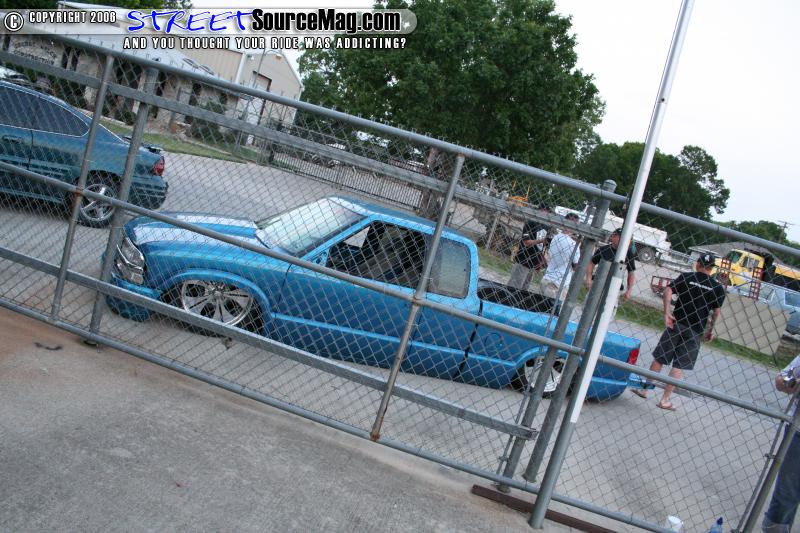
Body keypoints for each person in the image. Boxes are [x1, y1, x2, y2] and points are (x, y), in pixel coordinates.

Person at [632, 253, 726, 410]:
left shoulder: (687, 277)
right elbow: (716, 312)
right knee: (679, 365)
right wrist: (710, 329)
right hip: (695, 329)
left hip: (676, 323)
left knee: (660, 357)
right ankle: (665, 400)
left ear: (698, 264)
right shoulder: (717, 287)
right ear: (711, 269)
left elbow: (668, 290)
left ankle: (644, 389)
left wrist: (667, 312)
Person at [762, 354, 800, 533]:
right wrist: (792, 383)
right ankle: (775, 528)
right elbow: (781, 380)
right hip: (797, 432)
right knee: (787, 493)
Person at [539, 212, 581, 306]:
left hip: (548, 277)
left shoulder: (555, 237)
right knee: (552, 310)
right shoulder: (573, 244)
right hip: (559, 283)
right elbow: (576, 265)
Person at [585, 228, 637, 302]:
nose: (623, 240)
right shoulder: (603, 249)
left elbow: (631, 272)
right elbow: (591, 263)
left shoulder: (628, 253)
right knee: (590, 303)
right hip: (598, 283)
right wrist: (588, 279)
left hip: (615, 287)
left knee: (609, 307)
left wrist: (629, 290)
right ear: (613, 237)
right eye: (620, 237)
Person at [508, 203, 551, 290]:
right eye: (545, 211)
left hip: (534, 263)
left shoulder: (546, 226)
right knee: (514, 286)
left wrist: (542, 260)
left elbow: (543, 246)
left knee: (525, 289)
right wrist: (541, 240)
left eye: (548, 212)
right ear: (540, 210)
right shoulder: (531, 223)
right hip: (523, 260)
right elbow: (526, 242)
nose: (546, 214)